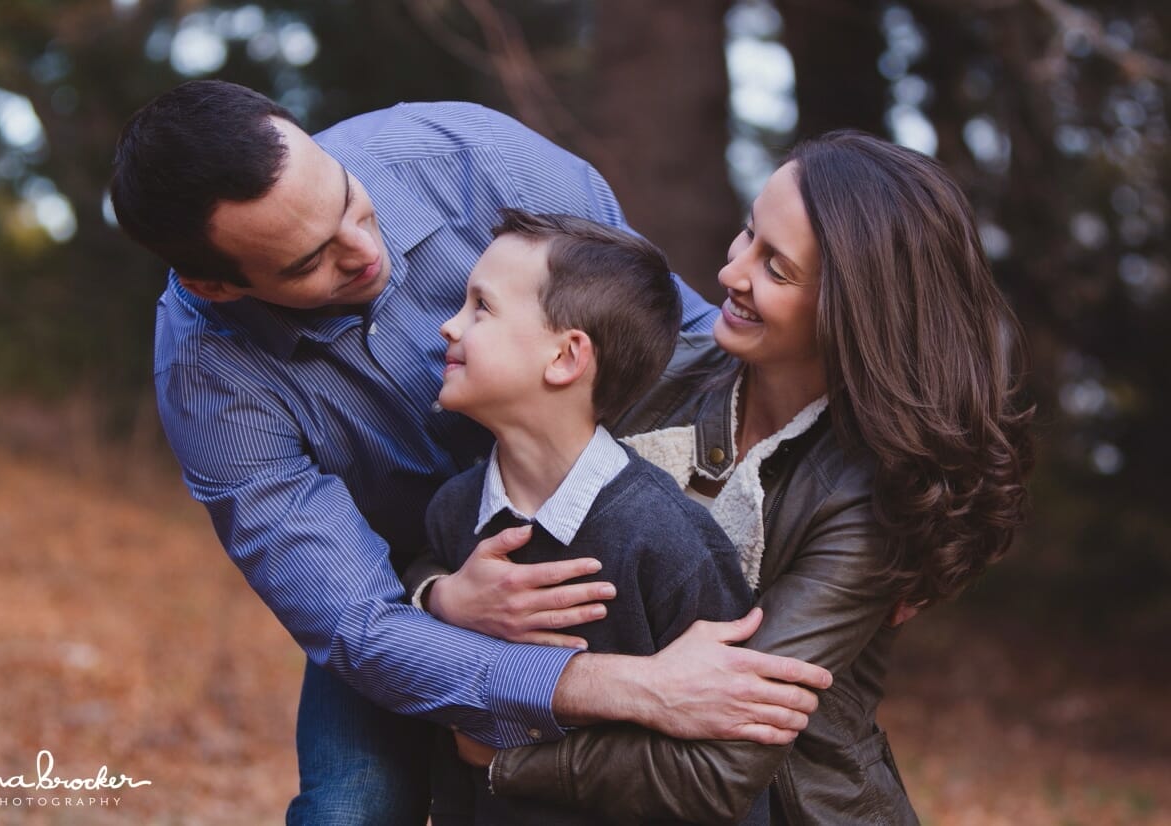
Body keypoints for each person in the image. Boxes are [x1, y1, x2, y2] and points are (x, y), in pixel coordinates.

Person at [109, 80, 831, 824]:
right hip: (395, 587)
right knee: (351, 808)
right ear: (215, 285)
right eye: (307, 263)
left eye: (350, 202)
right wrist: (452, 607)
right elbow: (359, 626)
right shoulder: (208, 377)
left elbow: (683, 344)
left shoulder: (472, 156)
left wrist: (877, 502)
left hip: (599, 531)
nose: (364, 251)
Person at [439, 132, 1036, 824]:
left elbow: (724, 761)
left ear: (850, 309)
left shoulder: (869, 496)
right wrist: (447, 595)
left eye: (775, 268)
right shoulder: (652, 376)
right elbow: (475, 510)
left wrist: (506, 758)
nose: (731, 273)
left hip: (789, 807)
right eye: (748, 233)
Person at [426, 208, 766, 825]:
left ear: (564, 357)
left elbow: (732, 771)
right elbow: (450, 741)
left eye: (482, 307)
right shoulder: (454, 511)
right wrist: (440, 597)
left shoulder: (670, 543)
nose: (449, 326)